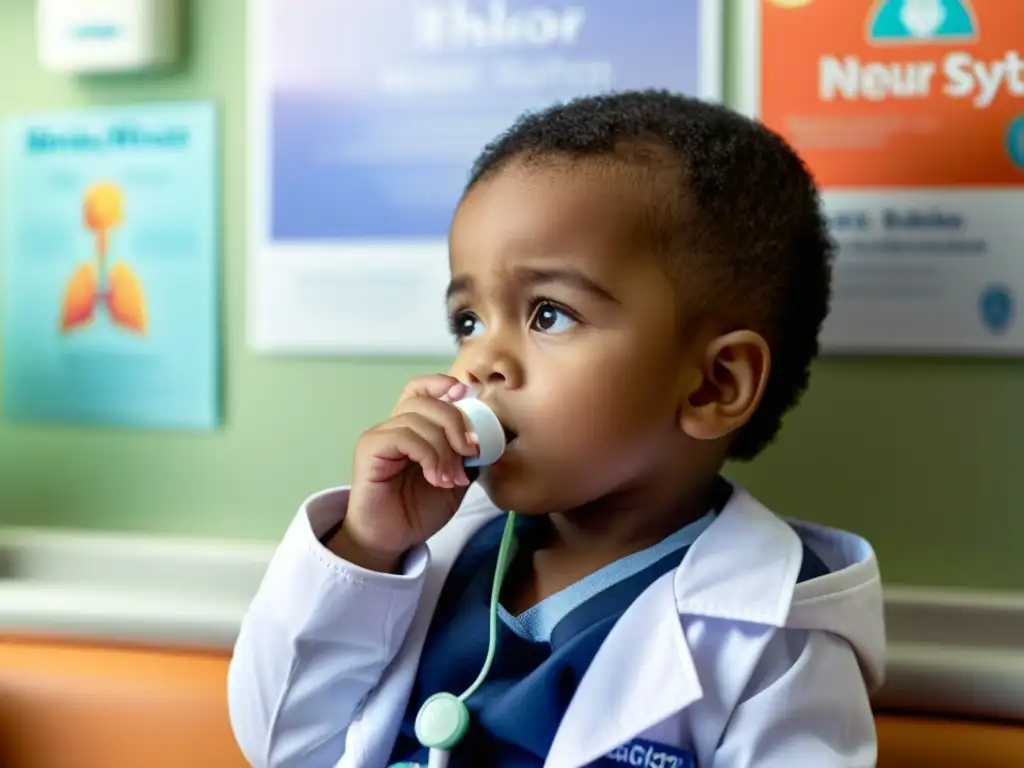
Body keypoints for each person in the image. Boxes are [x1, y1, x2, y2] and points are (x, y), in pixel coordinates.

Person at [228, 90, 885, 768]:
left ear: (716, 383)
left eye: (548, 314)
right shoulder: (443, 547)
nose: (481, 361)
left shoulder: (778, 639)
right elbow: (281, 743)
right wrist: (367, 547)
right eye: (468, 321)